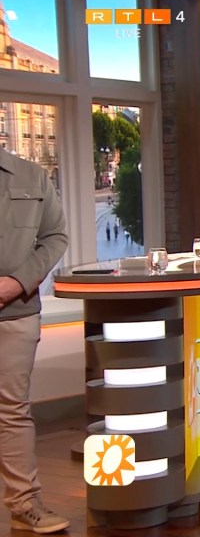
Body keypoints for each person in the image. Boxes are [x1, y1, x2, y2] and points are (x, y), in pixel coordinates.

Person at [0, 146, 70, 534]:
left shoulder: (31, 176)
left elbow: (55, 237)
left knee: (12, 410)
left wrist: (18, 282)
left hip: (16, 313)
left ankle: (24, 504)